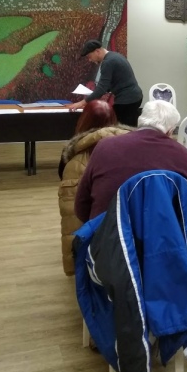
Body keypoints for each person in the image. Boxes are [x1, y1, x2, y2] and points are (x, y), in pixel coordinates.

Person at [73, 100, 187, 222]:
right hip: (159, 231)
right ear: (170, 131)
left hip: (106, 230)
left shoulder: (104, 146)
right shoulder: (182, 154)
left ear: (140, 121)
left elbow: (81, 207)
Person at [57, 100, 132, 275]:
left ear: (84, 121)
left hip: (98, 243)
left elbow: (72, 216)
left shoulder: (75, 160)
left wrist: (73, 265)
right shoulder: (134, 149)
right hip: (129, 237)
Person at [68, 39, 143, 127]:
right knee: (128, 127)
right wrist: (96, 92)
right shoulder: (114, 56)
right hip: (134, 97)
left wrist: (81, 103)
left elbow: (102, 88)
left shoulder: (108, 62)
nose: (90, 60)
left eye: (89, 56)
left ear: (97, 51)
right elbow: (109, 84)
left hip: (127, 100)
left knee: (121, 129)